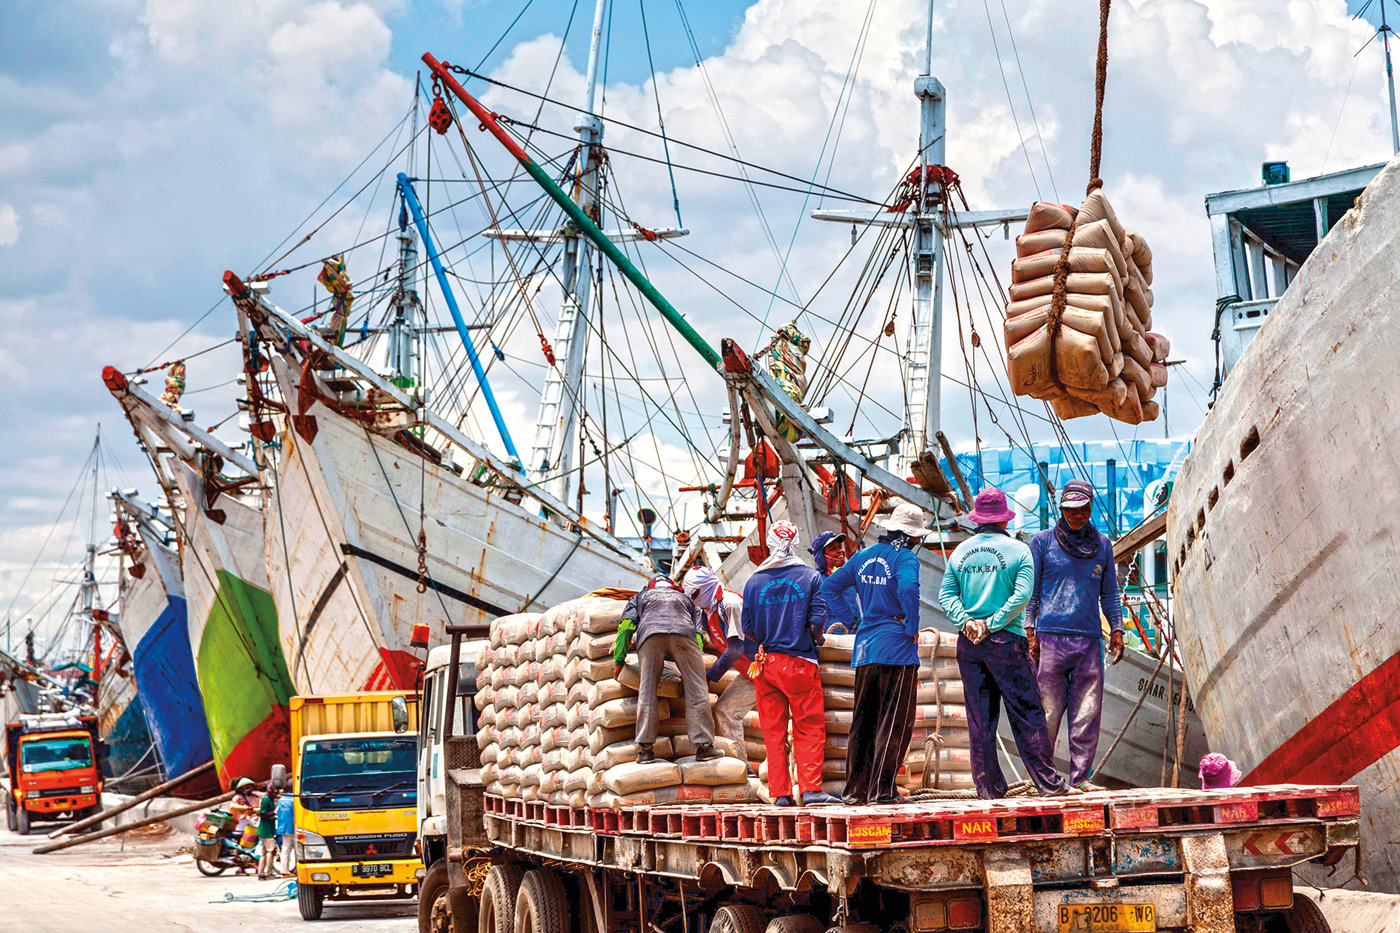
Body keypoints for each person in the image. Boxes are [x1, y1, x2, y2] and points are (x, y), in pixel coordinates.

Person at [939, 488, 1073, 799]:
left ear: (977, 520)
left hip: (969, 644)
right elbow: (1022, 596)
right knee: (1027, 713)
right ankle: (1049, 784)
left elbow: (946, 595)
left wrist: (967, 622)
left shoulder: (960, 552)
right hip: (1006, 641)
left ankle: (989, 789)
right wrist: (994, 623)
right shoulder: (1018, 551)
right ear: (1003, 520)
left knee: (980, 718)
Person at [821, 503, 928, 804]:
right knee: (894, 722)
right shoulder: (904, 558)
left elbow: (829, 587)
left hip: (866, 648)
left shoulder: (862, 558)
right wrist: (911, 626)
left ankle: (855, 792)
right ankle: (883, 791)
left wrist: (856, 619)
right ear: (910, 536)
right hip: (896, 649)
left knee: (863, 721)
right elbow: (908, 589)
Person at [1027, 479, 1125, 793]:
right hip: (1051, 638)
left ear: (1090, 507)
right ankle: (1042, 779)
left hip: (1088, 641)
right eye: (1071, 510)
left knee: (1086, 713)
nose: (1077, 516)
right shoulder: (1041, 542)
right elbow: (1032, 593)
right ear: (1062, 509)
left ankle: (1081, 778)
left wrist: (1118, 629)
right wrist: (1030, 630)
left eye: (1082, 510)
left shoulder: (1104, 545)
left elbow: (1109, 593)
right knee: (1048, 712)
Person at [741, 520, 841, 807]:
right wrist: (816, 639)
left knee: (773, 732)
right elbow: (818, 619)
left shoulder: (753, 581)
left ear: (770, 543)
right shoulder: (811, 577)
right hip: (799, 662)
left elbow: (747, 626)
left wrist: (765, 639)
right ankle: (810, 791)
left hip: (765, 664)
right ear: (795, 543)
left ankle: (780, 794)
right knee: (808, 727)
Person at [615, 574, 721, 763]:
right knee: (697, 690)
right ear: (673, 587)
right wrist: (690, 669)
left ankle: (645, 751)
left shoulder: (640, 597)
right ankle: (704, 748)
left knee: (647, 692)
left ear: (650, 586)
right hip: (684, 634)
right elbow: (698, 637)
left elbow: (625, 628)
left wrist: (619, 662)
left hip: (650, 636)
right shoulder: (686, 598)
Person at [683, 567, 755, 768]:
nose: (694, 599)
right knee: (724, 710)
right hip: (749, 673)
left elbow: (735, 648)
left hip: (765, 669)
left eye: (695, 594)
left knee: (773, 719)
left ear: (706, 587)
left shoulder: (730, 604)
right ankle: (740, 767)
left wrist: (711, 675)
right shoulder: (707, 612)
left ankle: (743, 767)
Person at [809, 531, 859, 633]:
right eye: (833, 549)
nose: (840, 551)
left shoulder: (849, 577)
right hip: (831, 639)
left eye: (839, 547)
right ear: (821, 556)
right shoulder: (815, 580)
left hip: (855, 637)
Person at [228, 777, 259, 874]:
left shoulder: (256, 798)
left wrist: (253, 810)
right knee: (241, 845)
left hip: (254, 823)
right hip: (241, 824)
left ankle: (256, 864)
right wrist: (247, 808)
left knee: (254, 844)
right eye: (245, 787)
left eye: (249, 786)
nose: (248, 788)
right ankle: (241, 867)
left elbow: (261, 808)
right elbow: (232, 807)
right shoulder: (237, 798)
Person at [257, 783, 280, 879]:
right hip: (266, 831)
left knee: (264, 852)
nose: (276, 795)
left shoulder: (270, 800)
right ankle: (268, 873)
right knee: (271, 851)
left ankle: (261, 873)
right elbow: (261, 813)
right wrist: (273, 812)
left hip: (268, 829)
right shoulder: (266, 800)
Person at [276, 786, 296, 876]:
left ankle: (284, 870)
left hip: (283, 827)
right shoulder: (295, 799)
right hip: (294, 827)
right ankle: (297, 869)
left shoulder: (281, 800)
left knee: (285, 849)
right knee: (298, 850)